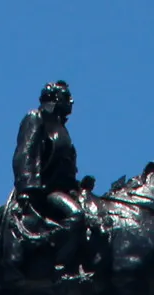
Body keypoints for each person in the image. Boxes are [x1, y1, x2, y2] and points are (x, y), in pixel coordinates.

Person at [9, 80, 97, 283]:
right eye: (67, 97)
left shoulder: (60, 127)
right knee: (76, 216)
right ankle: (60, 267)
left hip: (64, 190)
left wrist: (79, 186)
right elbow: (25, 154)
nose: (72, 101)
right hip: (45, 191)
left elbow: (62, 167)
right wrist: (27, 189)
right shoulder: (36, 118)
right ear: (55, 99)